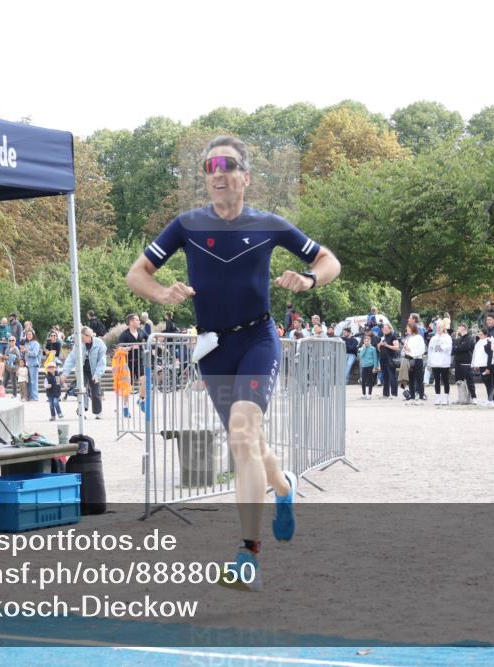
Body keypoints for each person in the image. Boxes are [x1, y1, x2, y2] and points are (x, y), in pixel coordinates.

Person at [125, 135, 340, 591]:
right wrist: (163, 293)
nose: (217, 174)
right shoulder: (185, 225)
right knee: (249, 443)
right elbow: (135, 273)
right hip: (215, 349)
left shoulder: (270, 225)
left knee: (242, 433)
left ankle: (248, 555)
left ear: (246, 176)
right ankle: (283, 489)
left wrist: (307, 278)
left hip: (258, 340)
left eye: (227, 166)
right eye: (209, 167)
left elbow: (328, 260)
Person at [62, 326, 108, 419]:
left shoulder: (99, 344)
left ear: (88, 336)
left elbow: (102, 362)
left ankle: (98, 412)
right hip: (82, 370)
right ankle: (82, 410)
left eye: (82, 338)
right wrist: (64, 373)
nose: (81, 340)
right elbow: (71, 359)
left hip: (94, 370)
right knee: (82, 389)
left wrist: (97, 375)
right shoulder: (79, 345)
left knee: (96, 391)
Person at [426, 321, 453, 406]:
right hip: (435, 362)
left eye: (440, 327)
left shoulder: (447, 337)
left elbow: (448, 348)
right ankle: (437, 398)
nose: (438, 329)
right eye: (437, 327)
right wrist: (429, 362)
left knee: (445, 380)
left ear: (443, 328)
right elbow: (430, 350)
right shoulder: (433, 338)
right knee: (436, 380)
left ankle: (446, 397)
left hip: (444, 362)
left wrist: (441, 343)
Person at [402, 321, 426, 402]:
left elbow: (422, 350)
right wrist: (405, 350)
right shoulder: (408, 338)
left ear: (412, 328)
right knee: (411, 379)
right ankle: (412, 397)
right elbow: (404, 350)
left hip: (417, 360)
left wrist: (411, 351)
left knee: (419, 379)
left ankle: (421, 397)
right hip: (409, 360)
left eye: (408, 328)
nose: (406, 329)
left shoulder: (419, 337)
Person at [452, 324, 477, 403]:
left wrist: (457, 347)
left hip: (466, 362)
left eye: (458, 328)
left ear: (463, 329)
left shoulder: (469, 338)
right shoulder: (458, 338)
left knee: (469, 380)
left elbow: (464, 347)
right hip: (458, 362)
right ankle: (462, 398)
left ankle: (473, 397)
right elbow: (454, 349)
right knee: (459, 381)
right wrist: (457, 347)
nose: (457, 330)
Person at [471, 327, 494, 406]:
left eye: (481, 334)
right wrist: (475, 364)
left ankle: (492, 400)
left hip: (486, 365)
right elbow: (477, 354)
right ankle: (489, 399)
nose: (479, 335)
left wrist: (488, 368)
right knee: (486, 382)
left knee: (489, 383)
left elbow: (490, 356)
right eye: (478, 334)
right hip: (481, 365)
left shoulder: (488, 342)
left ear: (485, 335)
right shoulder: (479, 342)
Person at [378, 323, 400, 398]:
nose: (384, 330)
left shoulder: (393, 336)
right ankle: (385, 394)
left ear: (390, 329)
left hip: (390, 359)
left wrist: (387, 345)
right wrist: (379, 345)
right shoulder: (382, 337)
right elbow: (379, 349)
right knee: (385, 377)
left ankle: (394, 394)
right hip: (383, 359)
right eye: (383, 329)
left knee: (392, 376)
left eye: (386, 328)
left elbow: (397, 347)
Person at [23, 330, 42, 401]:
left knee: (34, 381)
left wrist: (26, 351)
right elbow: (25, 354)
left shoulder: (35, 343)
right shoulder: (26, 344)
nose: (28, 336)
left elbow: (35, 353)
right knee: (29, 381)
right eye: (27, 334)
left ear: (33, 335)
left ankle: (34, 397)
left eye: (30, 334)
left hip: (34, 364)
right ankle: (29, 396)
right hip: (27, 364)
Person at [358, 334, 379, 399]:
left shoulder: (373, 348)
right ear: (363, 342)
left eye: (368, 341)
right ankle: (364, 394)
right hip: (364, 366)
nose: (366, 342)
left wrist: (375, 367)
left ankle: (369, 394)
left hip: (371, 366)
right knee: (363, 380)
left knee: (370, 381)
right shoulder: (362, 348)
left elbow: (375, 358)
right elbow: (360, 356)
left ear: (370, 341)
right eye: (365, 341)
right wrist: (364, 348)